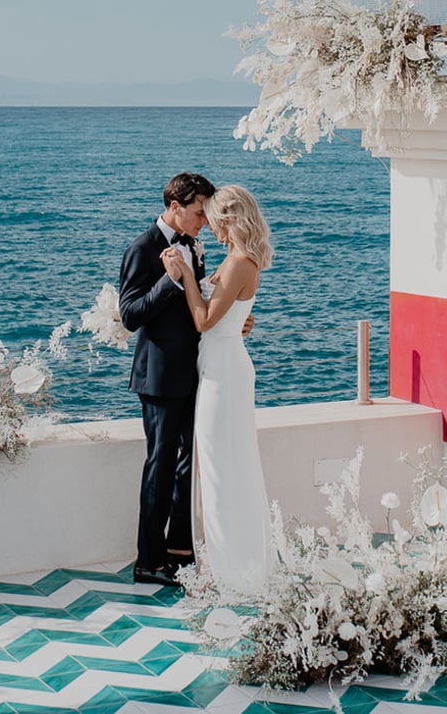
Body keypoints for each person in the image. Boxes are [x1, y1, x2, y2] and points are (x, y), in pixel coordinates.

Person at [162, 184, 275, 596]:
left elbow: (205, 321)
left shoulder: (239, 263)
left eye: (213, 218)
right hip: (220, 364)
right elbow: (227, 316)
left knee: (220, 469)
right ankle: (227, 561)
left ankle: (227, 570)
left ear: (229, 219)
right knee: (220, 467)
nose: (208, 225)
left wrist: (187, 276)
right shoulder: (237, 260)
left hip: (223, 372)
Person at [119, 172, 215, 587]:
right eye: (199, 212)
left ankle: (179, 548)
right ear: (175, 206)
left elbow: (193, 308)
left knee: (189, 463)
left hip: (194, 372)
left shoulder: (193, 246)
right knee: (159, 468)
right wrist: (170, 280)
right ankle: (148, 560)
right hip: (158, 377)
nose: (205, 221)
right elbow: (130, 315)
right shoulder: (142, 248)